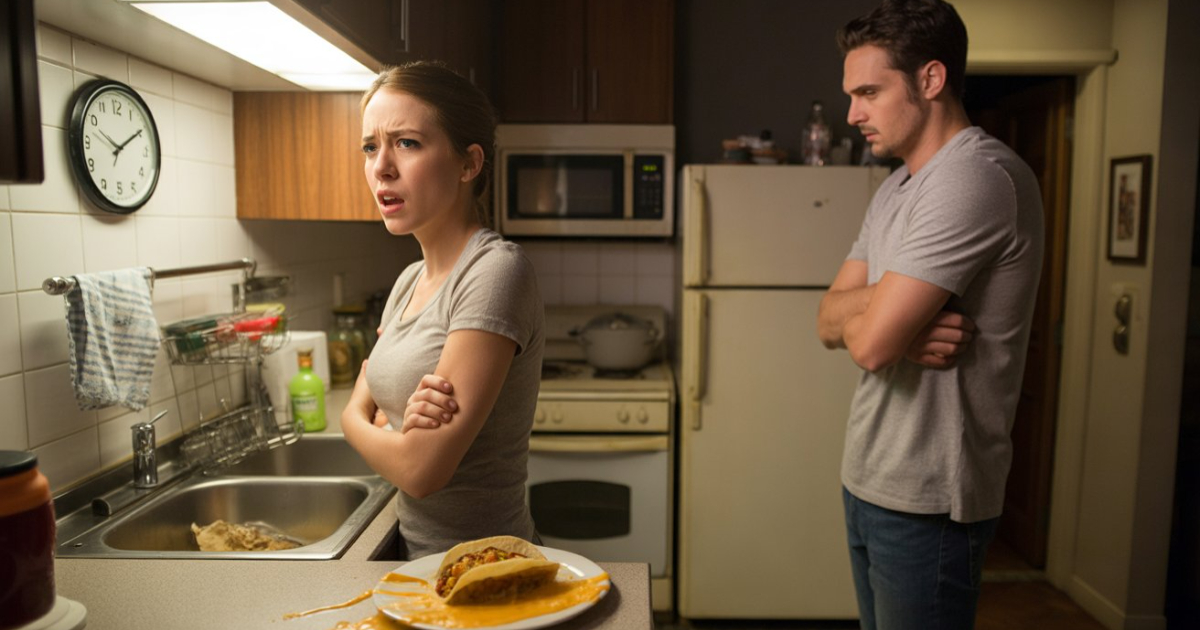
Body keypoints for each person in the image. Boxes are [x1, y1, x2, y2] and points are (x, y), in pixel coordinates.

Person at [816, 1, 1044, 628]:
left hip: (930, 497)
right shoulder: (897, 187)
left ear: (931, 80)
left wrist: (885, 323)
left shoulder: (974, 178)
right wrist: (888, 310)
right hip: (868, 474)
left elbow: (867, 348)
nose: (852, 113)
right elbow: (826, 318)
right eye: (851, 94)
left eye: (868, 92)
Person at [341, 61, 544, 560]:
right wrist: (386, 427)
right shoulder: (409, 281)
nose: (381, 167)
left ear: (468, 164)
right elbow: (380, 418)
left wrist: (354, 423)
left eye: (406, 143)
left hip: (491, 570)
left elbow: (420, 471)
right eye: (371, 147)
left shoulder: (495, 271)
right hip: (421, 568)